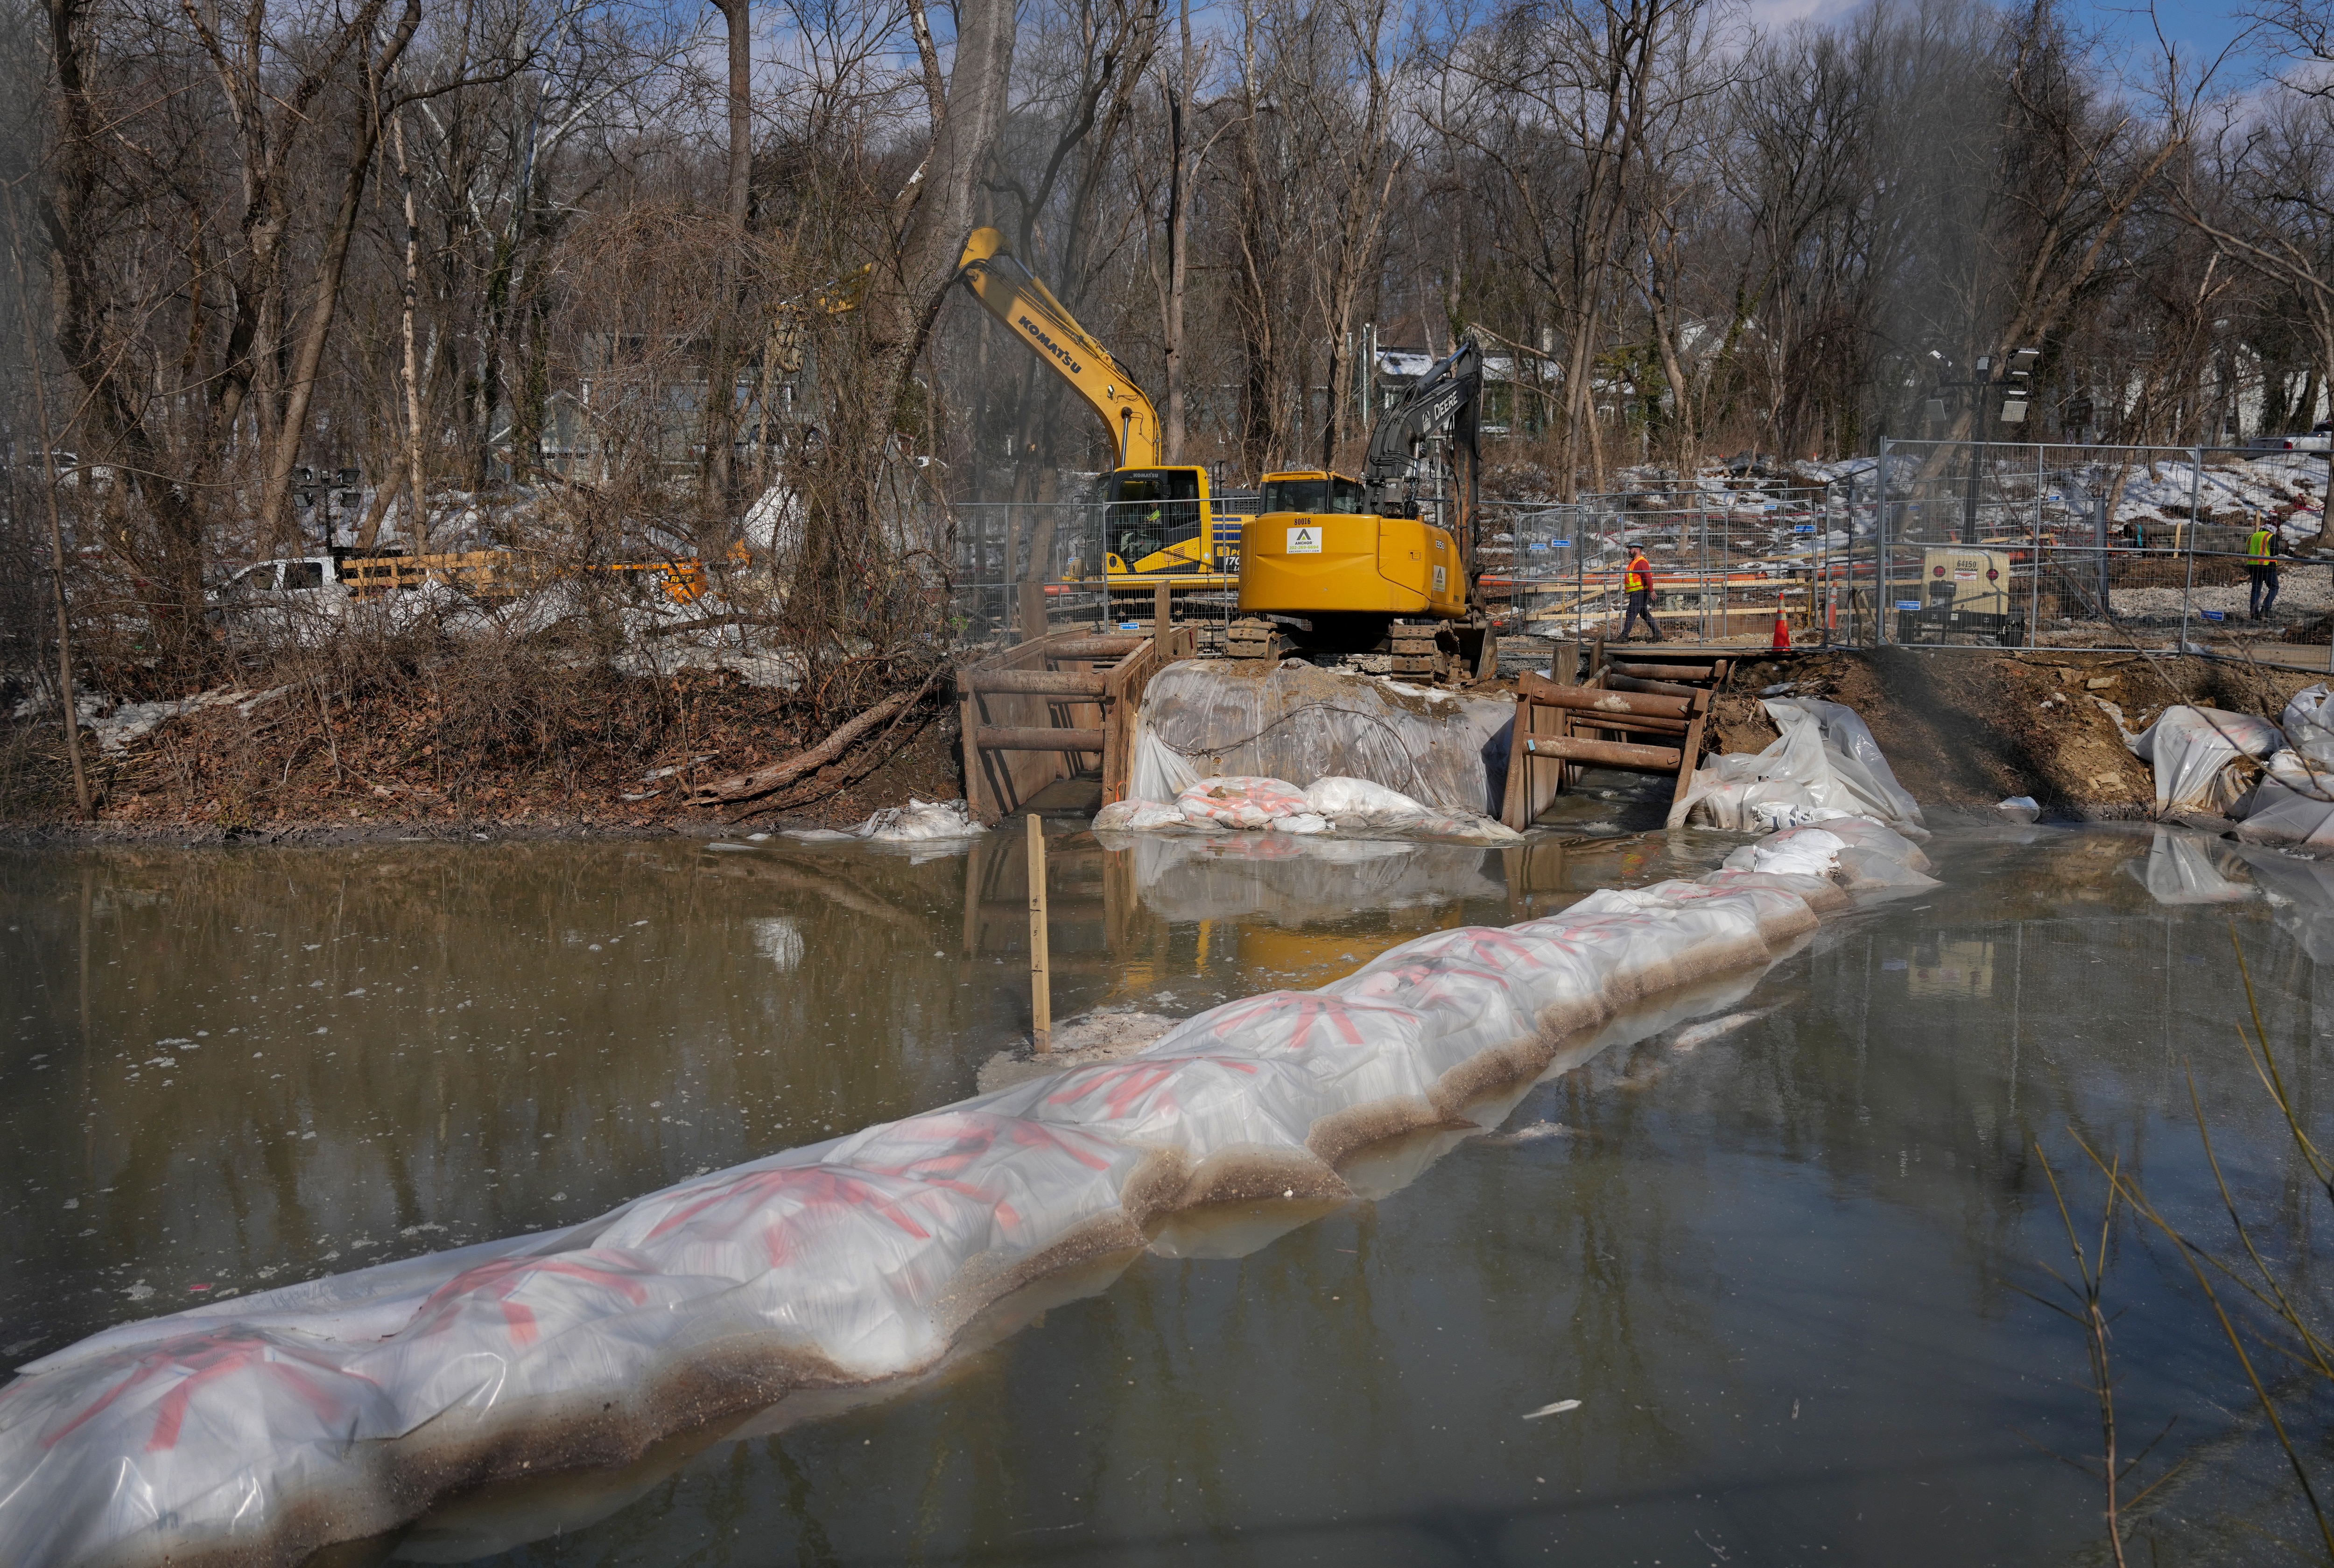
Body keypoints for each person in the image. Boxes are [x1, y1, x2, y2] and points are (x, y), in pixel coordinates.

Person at [1619, 546, 1662, 641]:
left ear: (1638, 549)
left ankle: (1624, 637)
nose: (1629, 550)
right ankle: (1658, 634)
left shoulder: (1641, 562)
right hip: (1639, 592)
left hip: (1639, 592)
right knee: (1644, 613)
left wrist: (1652, 591)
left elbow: (1648, 576)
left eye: (1631, 548)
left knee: (1631, 613)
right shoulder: (1635, 562)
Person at [2247, 517, 2281, 620]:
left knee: (2256, 589)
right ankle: (2266, 610)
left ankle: (2254, 613)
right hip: (2268, 567)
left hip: (2253, 567)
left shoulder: (2252, 536)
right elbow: (2275, 552)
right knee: (2274, 587)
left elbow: (2248, 550)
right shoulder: (2270, 537)